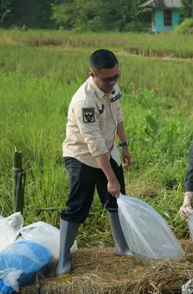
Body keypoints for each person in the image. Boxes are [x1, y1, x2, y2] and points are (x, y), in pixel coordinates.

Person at [57, 49, 131, 279]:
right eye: (107, 78)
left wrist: (124, 144)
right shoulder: (84, 101)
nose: (112, 82)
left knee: (117, 201)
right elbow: (94, 144)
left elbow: (117, 116)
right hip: (82, 155)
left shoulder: (113, 87)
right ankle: (63, 259)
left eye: (116, 76)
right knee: (78, 205)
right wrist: (111, 179)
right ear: (93, 74)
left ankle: (123, 248)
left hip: (108, 150)